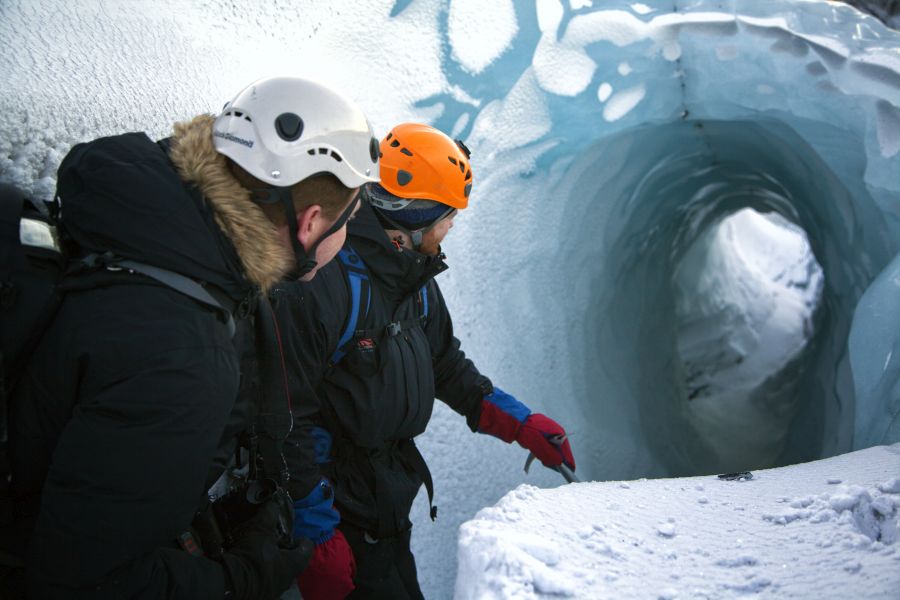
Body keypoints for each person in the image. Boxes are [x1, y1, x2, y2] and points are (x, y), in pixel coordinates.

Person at [2, 76, 379, 599]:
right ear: (310, 222)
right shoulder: (184, 358)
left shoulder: (141, 225)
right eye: (346, 221)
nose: (345, 236)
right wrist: (245, 576)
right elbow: (88, 585)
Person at [271, 123, 576, 599]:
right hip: (336, 514)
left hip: (387, 503)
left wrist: (520, 423)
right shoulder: (329, 283)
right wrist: (315, 531)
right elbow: (285, 415)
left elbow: (445, 365)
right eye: (448, 215)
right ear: (415, 219)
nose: (452, 225)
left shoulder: (414, 283)